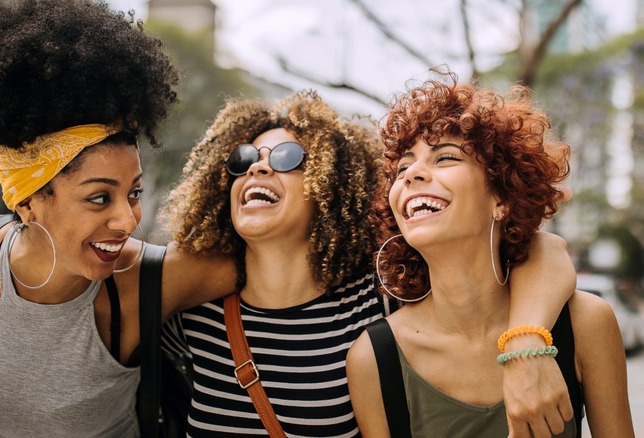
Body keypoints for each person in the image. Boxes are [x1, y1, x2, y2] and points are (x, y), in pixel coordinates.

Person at [0, 0, 234, 436]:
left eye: (134, 193)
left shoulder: (147, 281)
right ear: (28, 201)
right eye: (99, 198)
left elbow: (277, 259)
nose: (128, 220)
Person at [159, 90, 579, 437]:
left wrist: (526, 343)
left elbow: (545, 251)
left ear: (331, 185)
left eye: (287, 157)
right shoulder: (191, 317)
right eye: (244, 159)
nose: (260, 166)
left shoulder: (378, 303)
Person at [346, 75, 635, 437]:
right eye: (403, 167)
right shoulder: (373, 357)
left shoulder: (585, 324)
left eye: (445, 157)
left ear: (502, 198)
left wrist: (527, 346)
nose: (412, 175)